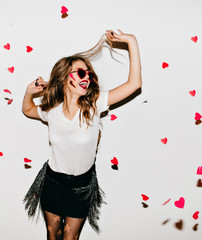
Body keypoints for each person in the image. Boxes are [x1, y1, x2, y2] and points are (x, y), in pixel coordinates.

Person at [22, 29, 142, 240]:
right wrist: (29, 93)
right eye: (80, 73)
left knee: (70, 238)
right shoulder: (52, 109)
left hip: (82, 186)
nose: (86, 77)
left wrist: (131, 41)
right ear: (63, 78)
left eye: (88, 73)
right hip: (53, 182)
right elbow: (28, 110)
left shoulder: (95, 104)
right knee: (53, 236)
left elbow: (134, 85)